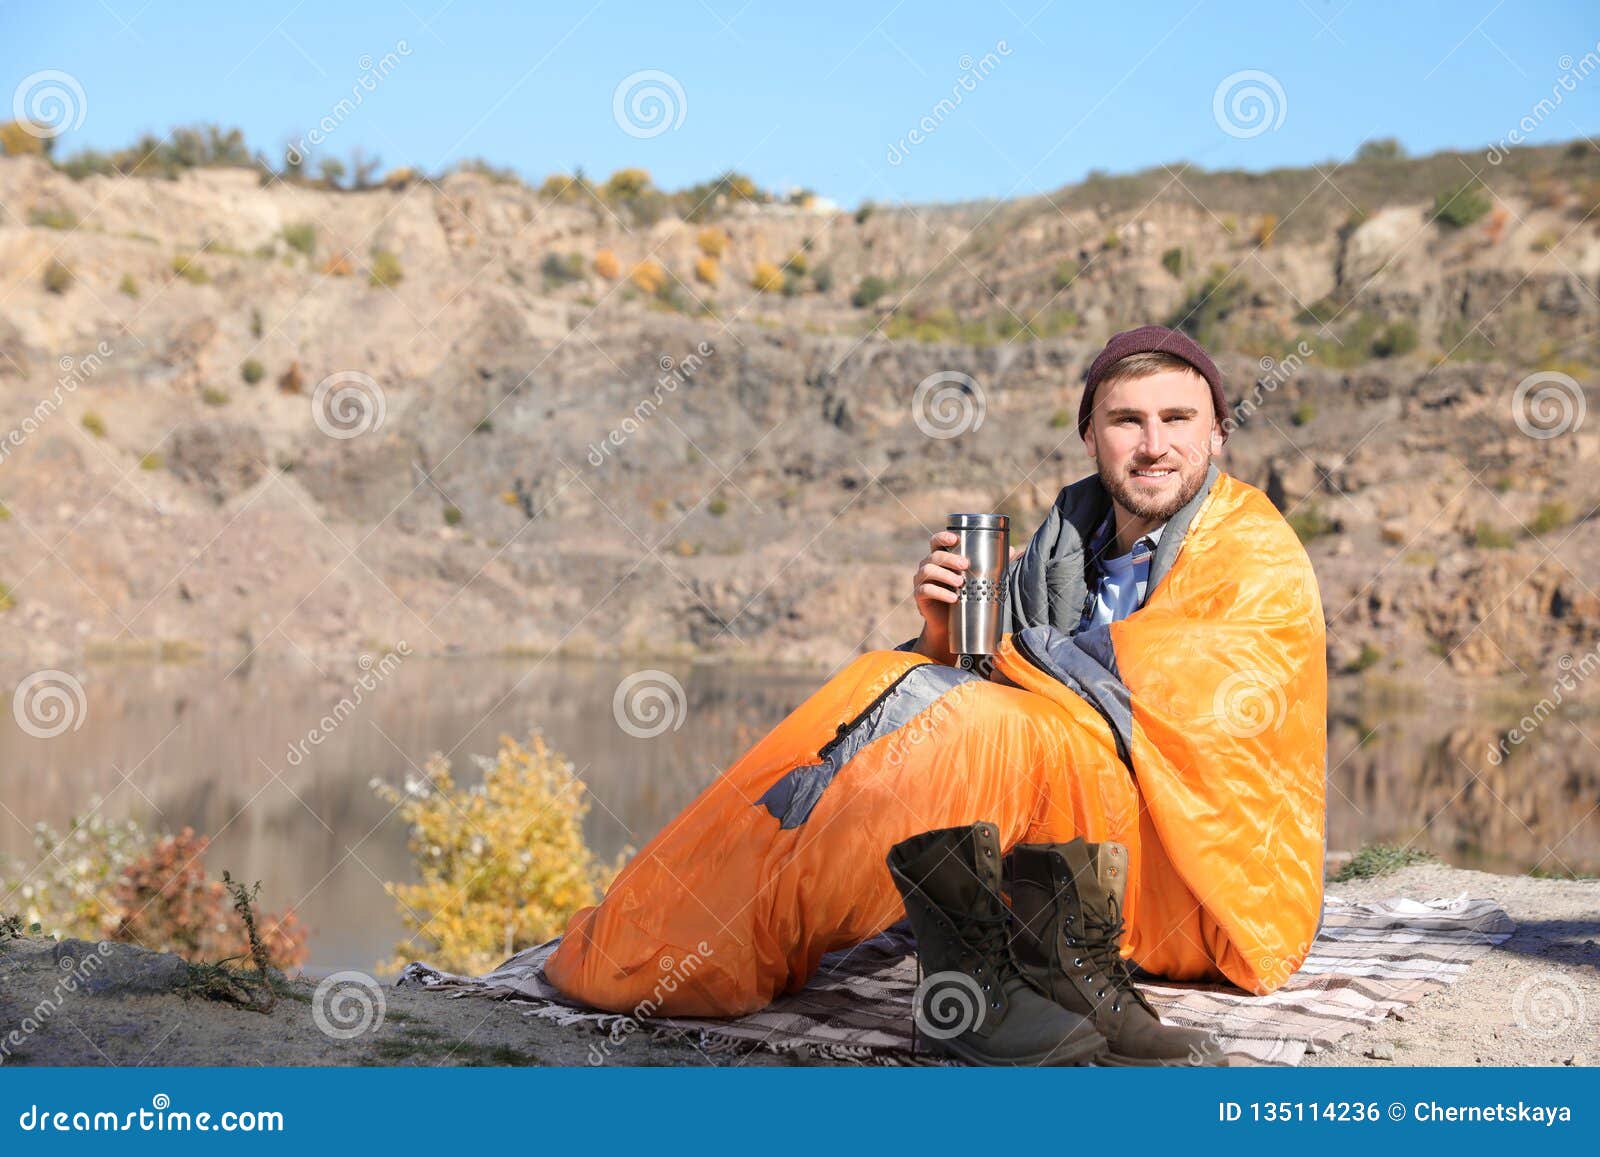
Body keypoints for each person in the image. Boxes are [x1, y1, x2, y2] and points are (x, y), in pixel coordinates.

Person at [545, 325, 1328, 1067]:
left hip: (1198, 886)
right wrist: (940, 636)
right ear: (1090, 436)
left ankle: (964, 994)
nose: (1153, 443)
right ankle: (672, 929)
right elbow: (975, 684)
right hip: (1063, 862)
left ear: (1218, 434)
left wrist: (991, 666)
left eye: (1177, 418)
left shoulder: (1253, 550)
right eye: (1127, 420)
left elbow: (1171, 705)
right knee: (880, 680)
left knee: (981, 725)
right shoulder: (1065, 548)